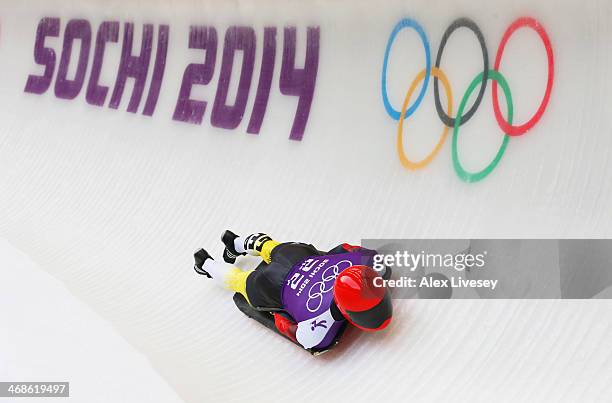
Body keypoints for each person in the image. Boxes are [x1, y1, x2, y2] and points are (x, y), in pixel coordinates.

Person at [193, 231, 393, 354]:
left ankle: (235, 242)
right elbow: (285, 324)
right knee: (241, 281)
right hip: (272, 287)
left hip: (297, 257)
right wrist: (280, 310)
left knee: (270, 247)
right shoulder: (318, 333)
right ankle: (207, 265)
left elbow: (344, 248)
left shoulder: (372, 262)